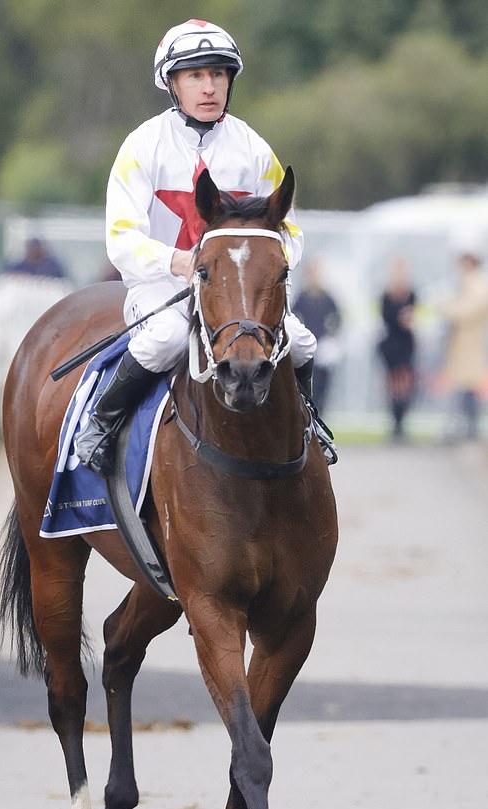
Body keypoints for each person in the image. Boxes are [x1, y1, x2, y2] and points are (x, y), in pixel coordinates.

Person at [75, 19, 334, 475]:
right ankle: (100, 422)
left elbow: (289, 231)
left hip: (237, 294)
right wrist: (177, 261)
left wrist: (264, 269)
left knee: (302, 341)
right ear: (172, 84)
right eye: (196, 76)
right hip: (162, 289)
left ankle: (309, 425)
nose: (209, 87)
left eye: (218, 75)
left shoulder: (254, 149)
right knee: (168, 339)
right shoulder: (141, 146)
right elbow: (121, 238)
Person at [440, 246, 488, 441]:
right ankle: (464, 427)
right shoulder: (470, 284)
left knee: (470, 387)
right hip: (464, 346)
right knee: (464, 387)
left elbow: (466, 310)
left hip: (471, 345)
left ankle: (469, 427)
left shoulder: (477, 284)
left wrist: (447, 307)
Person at [292, 259, 341, 415]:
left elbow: (336, 318)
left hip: (323, 344)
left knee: (323, 381)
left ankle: (321, 410)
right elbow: (294, 316)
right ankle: (308, 408)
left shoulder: (328, 297)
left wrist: (331, 337)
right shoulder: (301, 297)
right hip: (307, 345)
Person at [376, 258, 417, 441]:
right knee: (394, 385)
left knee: (406, 385)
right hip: (391, 347)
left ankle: (402, 421)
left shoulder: (413, 294)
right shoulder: (386, 295)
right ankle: (395, 423)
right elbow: (388, 319)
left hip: (406, 346)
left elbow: (412, 317)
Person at [3, 237, 68, 279]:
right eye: (31, 249)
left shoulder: (51, 265)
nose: (34, 251)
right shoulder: (20, 265)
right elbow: (7, 274)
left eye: (36, 248)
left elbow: (63, 280)